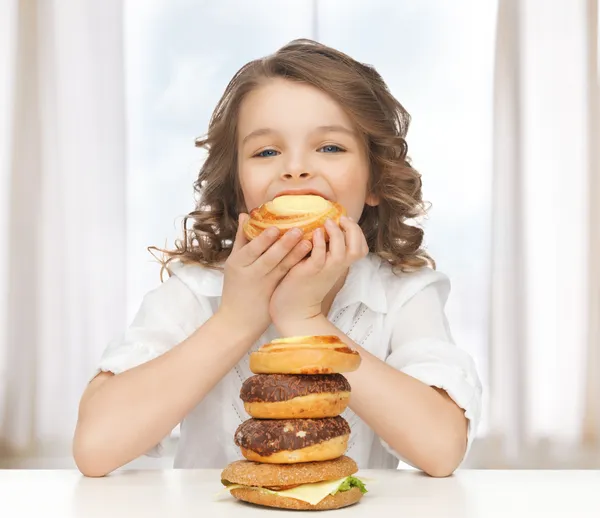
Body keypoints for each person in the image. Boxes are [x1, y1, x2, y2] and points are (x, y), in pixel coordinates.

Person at [73, 39, 482, 478]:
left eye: (330, 148)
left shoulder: (402, 293)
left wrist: (306, 322)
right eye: (267, 152)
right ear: (238, 188)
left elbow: (441, 450)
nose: (296, 169)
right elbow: (95, 448)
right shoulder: (197, 290)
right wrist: (235, 318)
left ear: (374, 183)